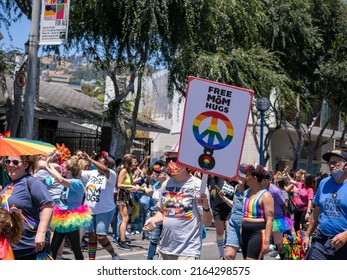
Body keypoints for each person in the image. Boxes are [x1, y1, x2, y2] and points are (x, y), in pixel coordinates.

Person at [143, 143, 212, 260]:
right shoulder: (166, 184)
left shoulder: (198, 185)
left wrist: (205, 206)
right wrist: (153, 220)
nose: (170, 163)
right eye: (168, 159)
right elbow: (162, 212)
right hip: (165, 249)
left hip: (187, 252)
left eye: (175, 159)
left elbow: (207, 222)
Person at [0, 155, 53, 260]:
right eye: (7, 161)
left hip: (28, 246)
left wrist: (41, 233)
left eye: (15, 162)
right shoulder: (8, 186)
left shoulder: (31, 182)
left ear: (26, 164)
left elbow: (48, 206)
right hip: (9, 246)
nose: (10, 165)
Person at [44, 155, 92, 260]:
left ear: (70, 170)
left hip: (71, 218)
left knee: (75, 248)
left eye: (64, 169)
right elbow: (59, 178)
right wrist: (49, 165)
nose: (63, 171)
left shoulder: (77, 182)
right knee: (54, 246)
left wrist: (47, 167)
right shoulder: (69, 182)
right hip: (62, 216)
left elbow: (60, 179)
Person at [303, 149, 347, 260]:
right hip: (321, 240)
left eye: (335, 162)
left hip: (343, 243)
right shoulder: (323, 183)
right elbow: (317, 210)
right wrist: (307, 235)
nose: (331, 166)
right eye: (330, 163)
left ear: (345, 165)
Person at [81, 152, 120, 260]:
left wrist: (91, 159)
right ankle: (91, 260)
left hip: (105, 210)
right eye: (99, 160)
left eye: (102, 161)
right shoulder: (92, 173)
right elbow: (78, 172)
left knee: (101, 237)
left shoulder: (111, 174)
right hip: (89, 210)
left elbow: (105, 170)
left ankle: (114, 255)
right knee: (92, 236)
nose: (99, 162)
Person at [241, 164, 274, 260]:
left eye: (247, 175)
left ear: (254, 178)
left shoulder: (266, 195)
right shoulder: (246, 192)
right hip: (244, 232)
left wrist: (267, 241)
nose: (245, 178)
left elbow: (269, 220)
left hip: (258, 233)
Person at [261, 171, 290, 260]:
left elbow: (283, 205)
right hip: (264, 219)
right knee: (261, 242)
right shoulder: (260, 189)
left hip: (277, 219)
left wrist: (284, 218)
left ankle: (282, 258)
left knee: (279, 244)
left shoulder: (275, 190)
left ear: (266, 180)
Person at [116, 155, 142, 250]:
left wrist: (139, 180)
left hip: (126, 195)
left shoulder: (129, 172)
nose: (136, 163)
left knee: (126, 218)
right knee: (125, 218)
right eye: (134, 162)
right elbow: (119, 184)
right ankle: (122, 240)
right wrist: (132, 187)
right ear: (129, 162)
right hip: (122, 195)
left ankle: (121, 238)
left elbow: (131, 183)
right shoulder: (123, 171)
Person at [224, 163, 248, 260]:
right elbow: (235, 205)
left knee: (247, 257)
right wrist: (224, 198)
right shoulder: (237, 187)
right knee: (229, 255)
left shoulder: (251, 189)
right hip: (234, 223)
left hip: (246, 224)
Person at [209, 176, 232, 259]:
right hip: (217, 206)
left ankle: (229, 253)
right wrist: (210, 207)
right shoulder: (218, 177)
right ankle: (221, 255)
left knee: (229, 231)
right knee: (219, 232)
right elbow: (211, 191)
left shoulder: (235, 181)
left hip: (230, 207)